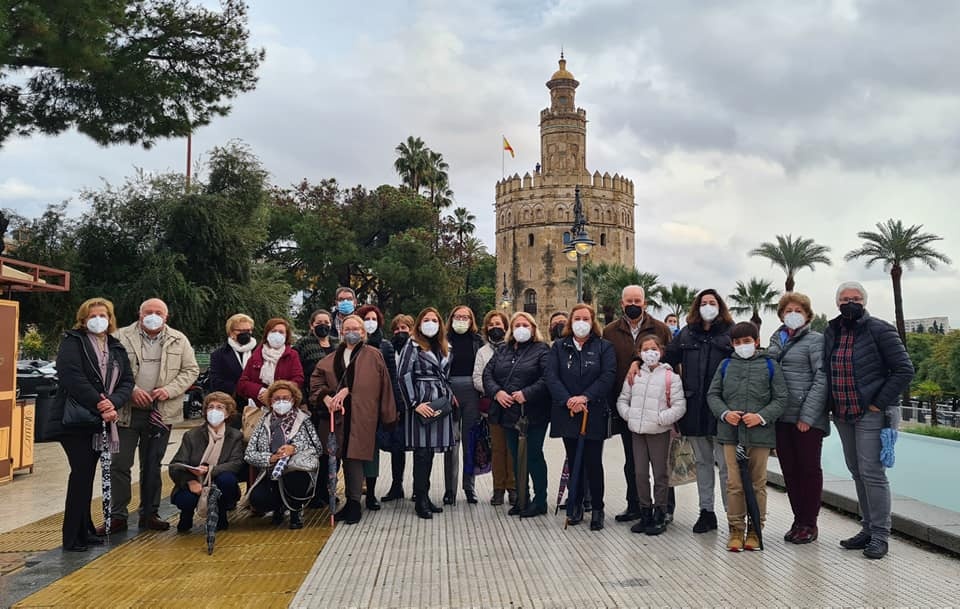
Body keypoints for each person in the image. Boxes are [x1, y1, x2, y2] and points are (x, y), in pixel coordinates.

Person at [824, 281, 914, 559]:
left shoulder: (880, 329)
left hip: (870, 413)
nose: (850, 302)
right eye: (844, 298)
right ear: (837, 303)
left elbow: (903, 369)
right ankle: (867, 528)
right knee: (857, 471)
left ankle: (880, 535)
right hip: (842, 413)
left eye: (856, 298)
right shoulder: (831, 330)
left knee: (872, 473)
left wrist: (877, 402)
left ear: (864, 301)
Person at [106, 298, 199, 533]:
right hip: (126, 411)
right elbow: (107, 368)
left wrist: (169, 390)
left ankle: (150, 513)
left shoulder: (179, 339)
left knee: (152, 464)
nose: (153, 315)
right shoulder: (119, 337)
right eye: (149, 311)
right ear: (140, 314)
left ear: (166, 317)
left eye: (158, 312)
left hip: (161, 412)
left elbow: (191, 370)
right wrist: (131, 391)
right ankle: (117, 515)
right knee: (119, 464)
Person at [55, 298, 134, 551]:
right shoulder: (73, 341)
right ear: (83, 318)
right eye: (93, 315)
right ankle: (72, 537)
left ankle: (86, 529)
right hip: (78, 421)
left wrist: (113, 402)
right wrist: (99, 403)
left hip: (103, 420)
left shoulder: (116, 346)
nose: (98, 319)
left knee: (88, 477)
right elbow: (71, 376)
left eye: (103, 314)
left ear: (110, 318)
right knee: (80, 475)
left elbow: (127, 381)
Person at [707, 321, 787, 552]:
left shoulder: (770, 365)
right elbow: (713, 394)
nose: (743, 345)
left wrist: (761, 417)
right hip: (731, 435)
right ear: (732, 344)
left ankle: (755, 530)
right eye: (738, 342)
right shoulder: (726, 364)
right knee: (734, 483)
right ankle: (735, 529)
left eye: (747, 341)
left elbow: (781, 398)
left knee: (758, 483)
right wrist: (725, 413)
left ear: (757, 341)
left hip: (759, 436)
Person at [310, 315, 398, 524]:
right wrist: (326, 397)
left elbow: (382, 385)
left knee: (355, 458)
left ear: (363, 332)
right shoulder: (330, 359)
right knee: (336, 457)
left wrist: (388, 415)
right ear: (341, 331)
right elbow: (316, 383)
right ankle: (337, 500)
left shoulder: (373, 355)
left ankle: (354, 502)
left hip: (362, 415)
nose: (352, 332)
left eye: (356, 328)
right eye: (347, 328)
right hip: (337, 416)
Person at [663, 288, 734, 534]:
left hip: (721, 410)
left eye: (712, 302)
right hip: (694, 409)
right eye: (703, 302)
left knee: (726, 465)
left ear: (719, 305)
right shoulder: (686, 334)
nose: (707, 306)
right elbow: (668, 359)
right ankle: (707, 512)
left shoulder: (729, 334)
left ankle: (733, 515)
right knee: (703, 462)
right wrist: (639, 363)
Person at [603, 285, 673, 524]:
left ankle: (665, 508)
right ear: (622, 304)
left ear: (645, 303)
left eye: (638, 300)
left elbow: (672, 363)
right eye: (629, 301)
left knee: (661, 462)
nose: (633, 304)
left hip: (658, 407)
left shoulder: (660, 329)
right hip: (628, 407)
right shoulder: (610, 331)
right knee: (633, 461)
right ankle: (636, 505)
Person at [546, 303, 616, 530]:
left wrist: (585, 397)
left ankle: (597, 507)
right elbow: (551, 376)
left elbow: (607, 376)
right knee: (573, 458)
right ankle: (574, 504)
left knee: (593, 462)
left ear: (592, 321)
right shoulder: (559, 347)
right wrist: (569, 400)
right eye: (577, 318)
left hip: (592, 412)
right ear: (570, 322)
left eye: (586, 319)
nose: (581, 323)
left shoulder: (603, 347)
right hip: (568, 412)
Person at [766, 292, 828, 544]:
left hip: (806, 419)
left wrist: (808, 416)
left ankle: (809, 523)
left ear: (807, 314)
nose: (792, 314)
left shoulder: (816, 340)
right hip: (781, 417)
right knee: (789, 471)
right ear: (781, 314)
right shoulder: (775, 340)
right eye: (788, 310)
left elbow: (822, 377)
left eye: (798, 310)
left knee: (808, 470)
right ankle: (798, 519)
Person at [616, 334, 686, 536]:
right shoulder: (634, 375)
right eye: (645, 349)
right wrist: (630, 416)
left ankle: (660, 512)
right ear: (639, 353)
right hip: (637, 432)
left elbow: (679, 406)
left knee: (660, 474)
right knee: (639, 473)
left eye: (654, 348)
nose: (650, 353)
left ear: (661, 351)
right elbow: (623, 399)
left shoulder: (670, 377)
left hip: (659, 432)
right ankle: (644, 511)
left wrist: (661, 418)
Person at [483, 311, 550, 517]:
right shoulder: (503, 350)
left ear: (533, 328)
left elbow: (548, 377)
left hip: (533, 413)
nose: (522, 328)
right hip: (507, 413)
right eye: (517, 324)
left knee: (533, 455)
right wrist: (497, 392)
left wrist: (526, 394)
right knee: (516, 457)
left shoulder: (542, 350)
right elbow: (488, 374)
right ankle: (522, 498)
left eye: (526, 324)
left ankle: (540, 501)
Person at [397, 307, 456, 520]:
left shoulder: (445, 347)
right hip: (421, 402)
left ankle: (426, 495)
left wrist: (448, 398)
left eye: (434, 320)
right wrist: (414, 403)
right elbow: (403, 375)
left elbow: (447, 376)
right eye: (426, 319)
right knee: (421, 452)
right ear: (419, 323)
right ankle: (420, 498)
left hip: (440, 402)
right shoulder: (412, 346)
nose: (430, 323)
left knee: (431, 452)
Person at [244, 380, 322, 529]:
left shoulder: (303, 420)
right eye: (276, 398)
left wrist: (294, 448)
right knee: (258, 499)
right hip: (271, 471)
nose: (281, 402)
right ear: (270, 401)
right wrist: (270, 458)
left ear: (294, 400)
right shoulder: (263, 422)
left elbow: (317, 447)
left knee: (296, 479)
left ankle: (295, 511)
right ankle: (278, 508)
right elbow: (249, 454)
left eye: (286, 398)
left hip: (295, 469)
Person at [168, 392, 244, 532]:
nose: (214, 411)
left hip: (218, 480)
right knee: (186, 499)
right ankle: (186, 515)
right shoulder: (191, 435)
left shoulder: (235, 436)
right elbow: (175, 465)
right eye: (211, 407)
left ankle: (221, 514)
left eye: (220, 407)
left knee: (227, 480)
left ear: (227, 414)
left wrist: (210, 470)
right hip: (195, 480)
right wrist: (191, 481)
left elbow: (236, 462)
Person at [356, 304, 403, 510]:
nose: (370, 322)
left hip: (378, 405)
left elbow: (392, 378)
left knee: (380, 448)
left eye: (374, 318)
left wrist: (396, 405)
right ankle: (359, 493)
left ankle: (376, 492)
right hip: (356, 406)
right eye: (366, 318)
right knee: (360, 451)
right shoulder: (350, 345)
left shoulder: (385, 346)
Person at [472, 310, 516, 506]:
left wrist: (509, 393)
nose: (495, 327)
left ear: (506, 327)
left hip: (514, 406)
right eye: (491, 325)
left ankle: (513, 487)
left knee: (512, 448)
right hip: (494, 406)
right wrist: (496, 391)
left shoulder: (515, 348)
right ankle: (498, 488)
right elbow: (477, 378)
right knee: (498, 449)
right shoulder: (482, 352)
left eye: (498, 324)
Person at [444, 305, 484, 505]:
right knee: (451, 442)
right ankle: (449, 489)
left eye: (465, 317)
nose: (461, 320)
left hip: (472, 391)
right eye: (457, 316)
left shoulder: (478, 341)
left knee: (470, 441)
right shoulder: (444, 340)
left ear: (471, 320)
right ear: (451, 318)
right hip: (449, 391)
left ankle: (470, 487)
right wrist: (446, 391)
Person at [380, 313, 415, 501]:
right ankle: (396, 485)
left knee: (419, 447)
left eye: (404, 328)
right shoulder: (388, 348)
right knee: (396, 447)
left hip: (415, 404)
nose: (400, 332)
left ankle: (419, 487)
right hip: (395, 403)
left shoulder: (418, 348)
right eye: (397, 328)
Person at [236, 318, 305, 407]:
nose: (277, 334)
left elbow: (298, 379)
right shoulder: (256, 355)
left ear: (286, 335)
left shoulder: (292, 355)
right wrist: (261, 391)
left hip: (284, 405)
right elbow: (242, 383)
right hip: (259, 406)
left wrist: (274, 392)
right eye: (273, 331)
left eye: (281, 332)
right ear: (267, 334)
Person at [293, 309, 339, 398]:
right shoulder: (303, 343)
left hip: (336, 393)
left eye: (326, 322)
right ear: (311, 325)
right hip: (314, 393)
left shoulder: (338, 343)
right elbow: (296, 370)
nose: (323, 325)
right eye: (319, 323)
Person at [209, 313, 257, 397]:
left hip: (256, 401)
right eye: (241, 331)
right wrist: (239, 389)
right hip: (231, 401)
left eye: (248, 330)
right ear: (231, 332)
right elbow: (215, 381)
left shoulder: (260, 352)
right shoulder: (218, 355)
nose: (245, 334)